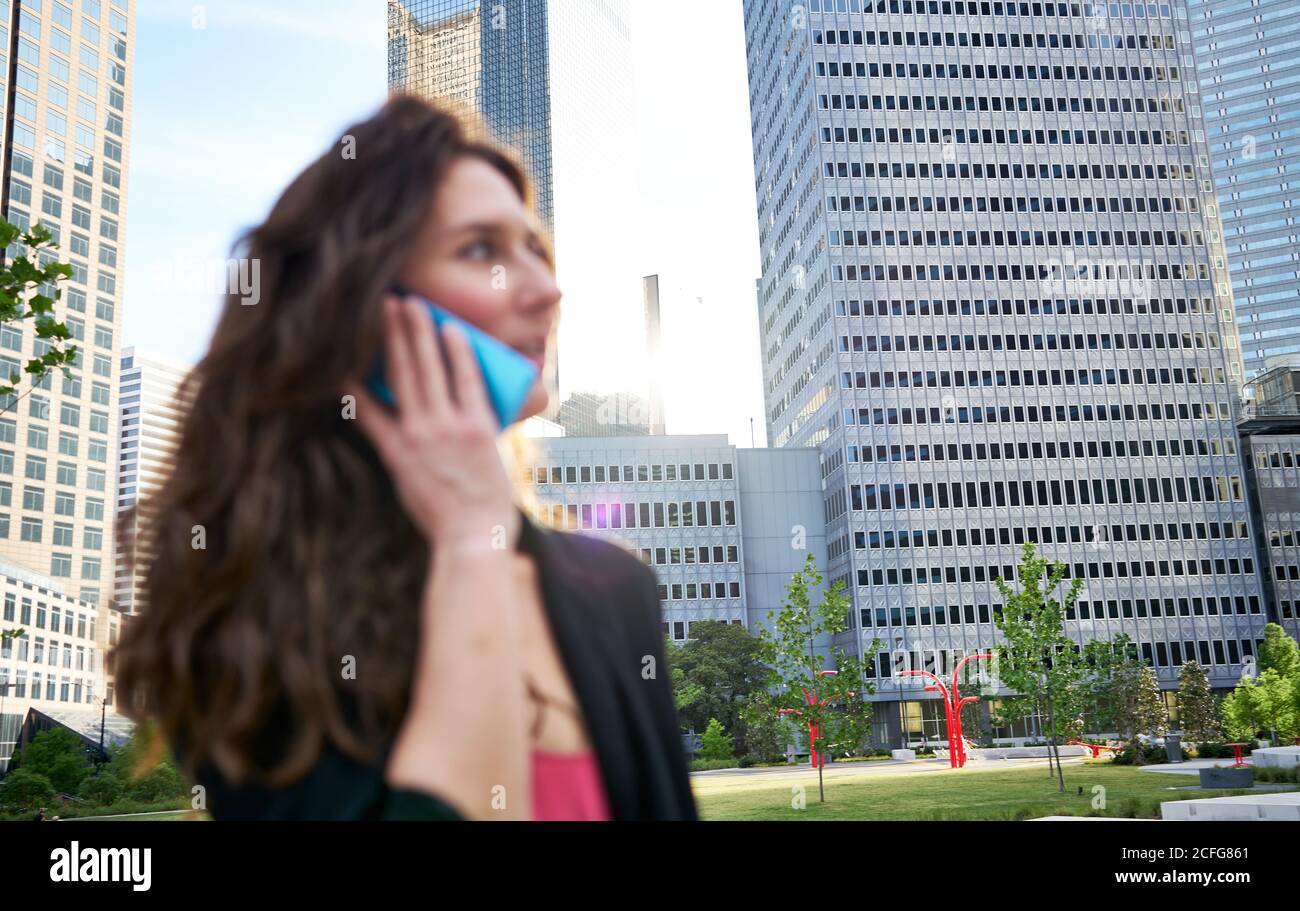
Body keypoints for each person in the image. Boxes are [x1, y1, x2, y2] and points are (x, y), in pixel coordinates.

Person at [110, 95, 697, 821]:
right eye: (480, 249)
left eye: (533, 248)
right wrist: (467, 541)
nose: (548, 291)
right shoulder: (250, 617)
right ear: (354, 307)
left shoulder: (615, 587)